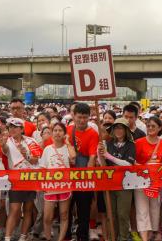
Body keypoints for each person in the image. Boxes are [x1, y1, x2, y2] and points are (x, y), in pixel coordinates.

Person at [0, 117, 42, 241]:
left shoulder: (31, 141)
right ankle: (7, 238)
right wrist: (2, 145)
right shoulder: (7, 141)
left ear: (22, 129)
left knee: (28, 209)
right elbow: (5, 150)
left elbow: (36, 160)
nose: (12, 129)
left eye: (15, 127)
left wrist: (26, 155)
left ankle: (23, 237)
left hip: (30, 178)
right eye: (10, 127)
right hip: (16, 180)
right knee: (15, 209)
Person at [98, 118, 135, 241]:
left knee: (122, 214)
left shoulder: (131, 145)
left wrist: (109, 156)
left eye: (121, 128)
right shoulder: (107, 144)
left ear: (126, 130)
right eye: (116, 128)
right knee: (111, 215)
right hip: (109, 183)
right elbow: (103, 164)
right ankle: (112, 237)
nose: (118, 130)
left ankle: (123, 237)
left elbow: (128, 164)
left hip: (125, 184)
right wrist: (99, 153)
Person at [66, 103, 98, 241]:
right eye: (79, 117)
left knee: (84, 208)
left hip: (84, 175)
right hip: (67, 176)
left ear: (89, 117)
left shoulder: (93, 133)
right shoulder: (67, 130)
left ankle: (82, 236)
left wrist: (87, 179)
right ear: (73, 116)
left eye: (85, 117)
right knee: (66, 209)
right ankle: (65, 235)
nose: (82, 120)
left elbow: (92, 157)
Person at [39, 123, 76, 241]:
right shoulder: (47, 149)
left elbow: (73, 157)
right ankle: (49, 238)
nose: (57, 133)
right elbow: (43, 168)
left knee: (64, 214)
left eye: (60, 130)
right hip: (50, 186)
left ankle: (60, 239)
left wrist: (68, 143)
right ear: (52, 133)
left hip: (65, 185)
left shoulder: (68, 148)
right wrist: (42, 184)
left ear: (64, 134)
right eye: (55, 130)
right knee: (47, 217)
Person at [134, 116, 162, 241]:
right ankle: (144, 237)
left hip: (157, 182)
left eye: (153, 126)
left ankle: (153, 232)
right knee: (141, 209)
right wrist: (145, 168)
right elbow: (134, 162)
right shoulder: (139, 142)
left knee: (155, 208)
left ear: (159, 128)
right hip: (141, 181)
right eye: (148, 126)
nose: (150, 128)